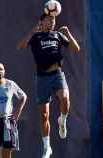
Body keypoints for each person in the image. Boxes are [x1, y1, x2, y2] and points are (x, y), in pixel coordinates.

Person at [17, 13, 80, 158]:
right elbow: (20, 46)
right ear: (42, 21)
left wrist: (68, 33)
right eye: (49, 19)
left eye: (53, 19)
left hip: (57, 74)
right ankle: (47, 147)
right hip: (42, 77)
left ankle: (62, 119)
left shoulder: (57, 35)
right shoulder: (36, 36)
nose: (52, 22)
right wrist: (32, 32)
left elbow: (76, 48)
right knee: (44, 115)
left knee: (65, 98)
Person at [0, 62, 27, 158]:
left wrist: (17, 113)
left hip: (8, 121)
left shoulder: (10, 84)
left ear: (4, 71)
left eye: (1, 69)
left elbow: (23, 97)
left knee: (8, 149)